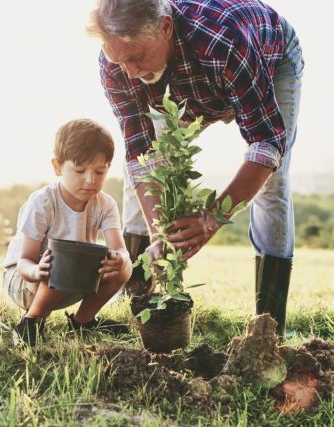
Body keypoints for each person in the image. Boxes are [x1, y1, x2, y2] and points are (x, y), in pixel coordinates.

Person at [87, 0, 304, 337]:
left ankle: (269, 326)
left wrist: (210, 219)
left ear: (165, 28)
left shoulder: (224, 39)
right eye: (119, 60)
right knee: (146, 171)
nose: (128, 72)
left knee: (273, 183)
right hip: (189, 83)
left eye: (136, 57)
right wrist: (161, 234)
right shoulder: (117, 63)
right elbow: (141, 153)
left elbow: (266, 143)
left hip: (266, 60)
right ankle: (136, 299)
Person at [1, 118, 132, 346]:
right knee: (66, 259)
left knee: (124, 265)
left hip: (71, 279)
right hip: (26, 282)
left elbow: (120, 249)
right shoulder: (42, 202)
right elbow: (24, 262)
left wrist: (119, 259)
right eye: (80, 170)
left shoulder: (105, 204)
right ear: (57, 167)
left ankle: (83, 321)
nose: (90, 180)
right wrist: (37, 271)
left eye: (100, 172)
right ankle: (30, 322)